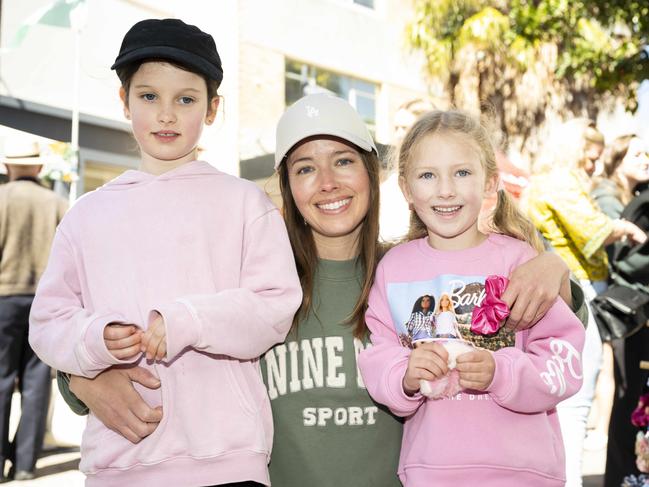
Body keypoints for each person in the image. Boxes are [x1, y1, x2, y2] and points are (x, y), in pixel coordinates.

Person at [57, 94, 588, 487]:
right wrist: (78, 381)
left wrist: (555, 271)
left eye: (343, 161)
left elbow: (544, 335)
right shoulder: (254, 284)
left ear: (374, 174)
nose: (328, 183)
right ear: (286, 187)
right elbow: (149, 327)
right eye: (305, 168)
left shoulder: (405, 272)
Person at [28, 18, 301, 487]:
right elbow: (48, 321)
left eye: (187, 99)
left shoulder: (243, 203)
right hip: (119, 461)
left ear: (213, 109)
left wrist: (186, 321)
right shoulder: (86, 215)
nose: (167, 114)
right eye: (149, 96)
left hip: (229, 460)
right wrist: (95, 338)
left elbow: (275, 304)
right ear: (124, 101)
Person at [358, 109, 586, 486]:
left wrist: (503, 373)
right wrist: (405, 376)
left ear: (489, 183)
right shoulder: (393, 269)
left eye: (461, 173)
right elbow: (378, 353)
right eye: (428, 175)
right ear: (406, 190)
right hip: (431, 472)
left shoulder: (520, 261)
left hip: (523, 472)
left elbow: (563, 361)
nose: (445, 189)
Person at [524, 118, 646, 487]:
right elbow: (593, 230)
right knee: (575, 401)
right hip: (574, 295)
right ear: (571, 151)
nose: (594, 165)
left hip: (568, 295)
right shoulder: (558, 182)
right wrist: (626, 228)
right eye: (589, 157)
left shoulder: (554, 182)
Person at [0, 138, 67, 482]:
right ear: (39, 167)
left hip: (3, 299)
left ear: (7, 167)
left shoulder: (1, 199)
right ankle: (26, 464)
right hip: (45, 302)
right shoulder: (57, 203)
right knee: (37, 382)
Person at [591, 135, 649, 487]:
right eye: (638, 153)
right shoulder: (606, 199)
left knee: (632, 396)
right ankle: (620, 475)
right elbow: (624, 261)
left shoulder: (632, 197)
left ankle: (629, 472)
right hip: (621, 310)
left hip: (634, 310)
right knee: (625, 395)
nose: (646, 159)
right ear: (618, 159)